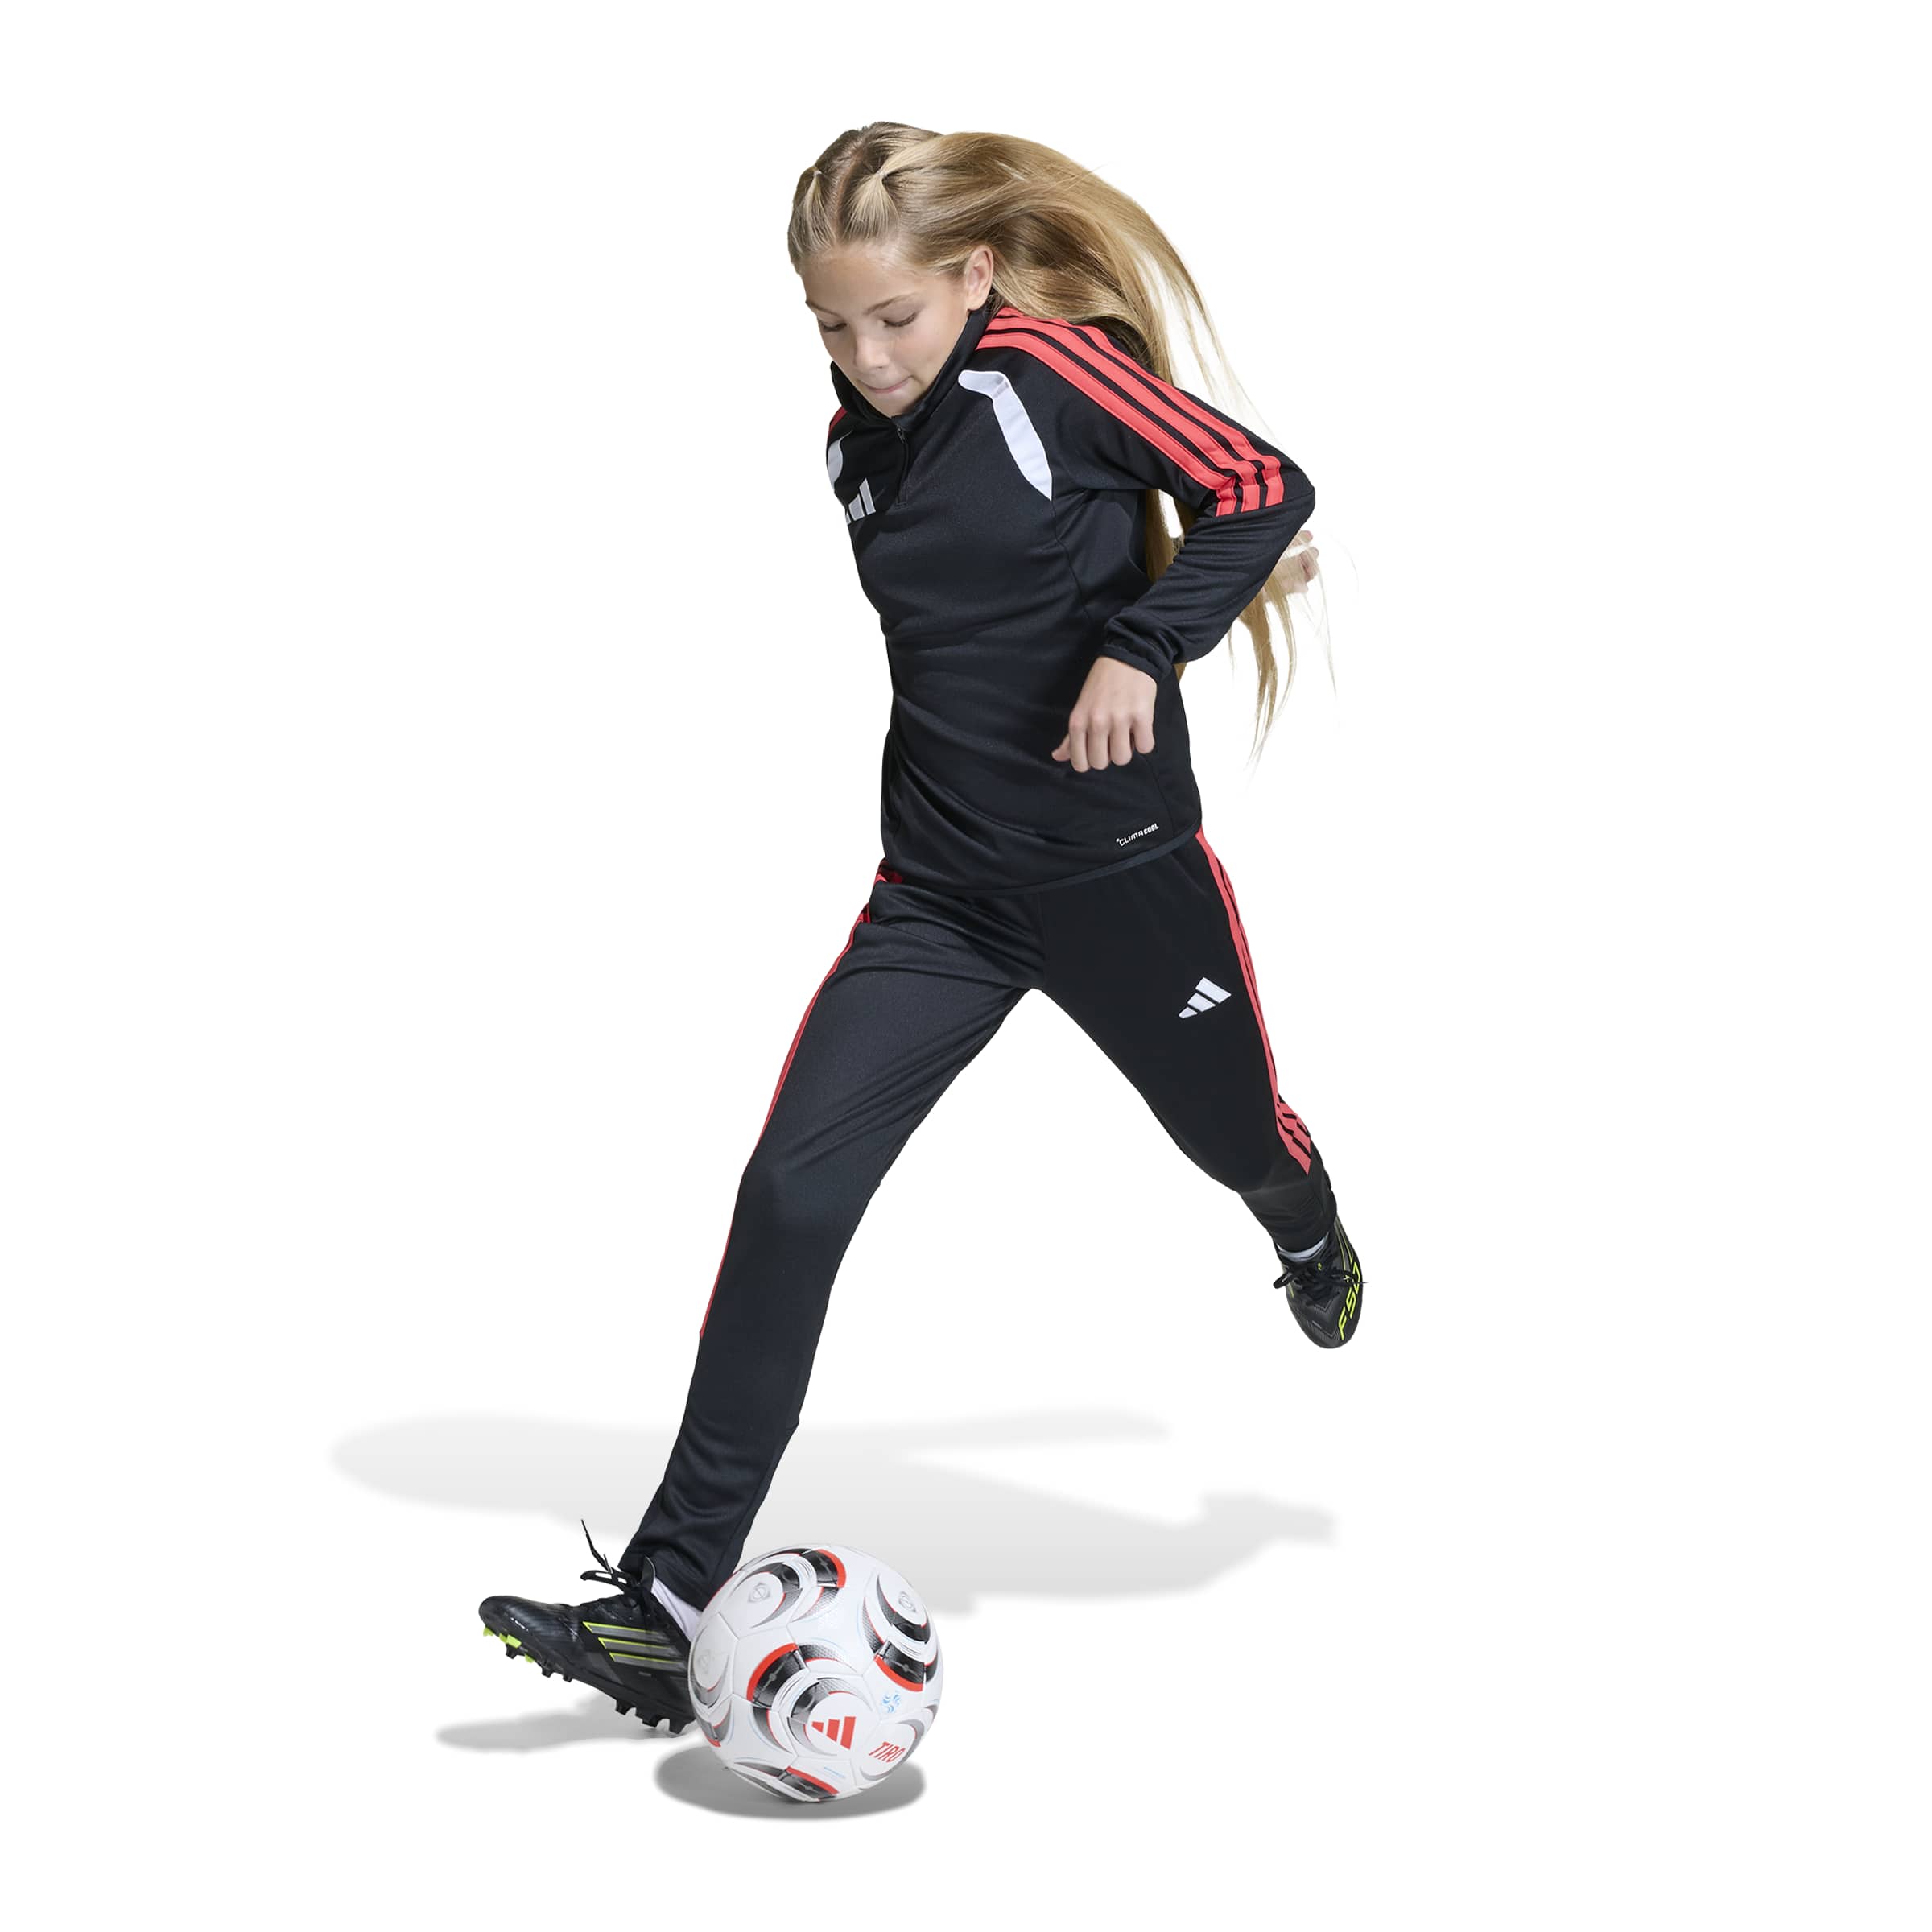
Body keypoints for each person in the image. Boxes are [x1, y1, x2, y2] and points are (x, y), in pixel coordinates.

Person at [479, 124, 1364, 1734]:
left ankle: (1303, 1224)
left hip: (1120, 879)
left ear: (973, 276)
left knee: (1232, 1135)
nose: (866, 357)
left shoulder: (1051, 372)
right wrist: (1176, 593)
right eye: (830, 326)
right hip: (940, 894)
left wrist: (1156, 641)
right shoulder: (853, 445)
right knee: (790, 1193)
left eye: (893, 317)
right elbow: (1005, 609)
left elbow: (1258, 485)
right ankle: (666, 1600)